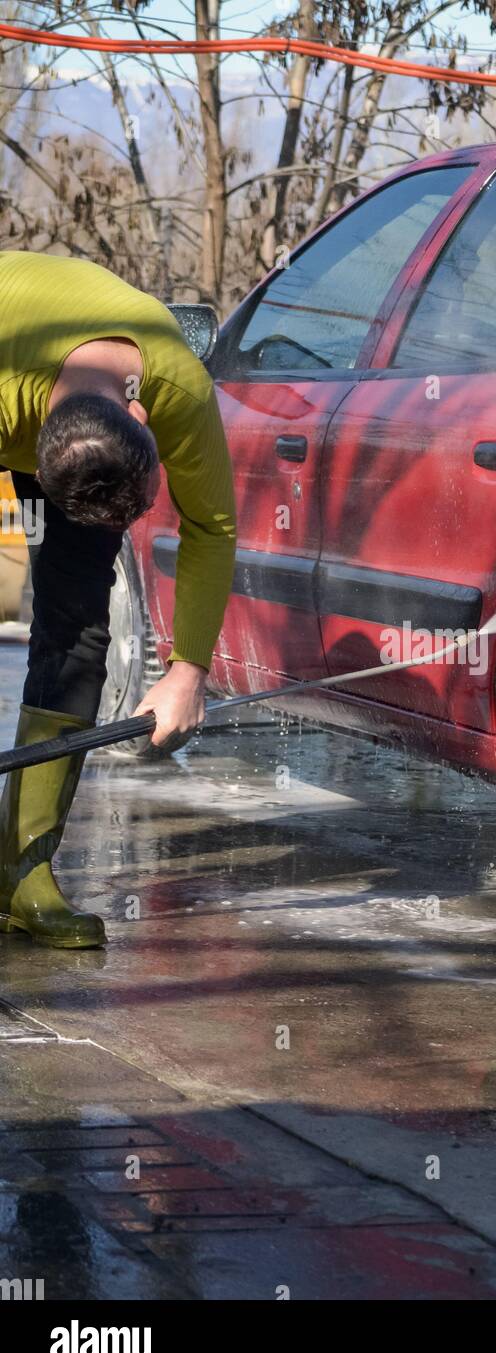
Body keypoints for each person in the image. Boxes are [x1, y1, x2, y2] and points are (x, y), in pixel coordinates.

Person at [0, 250, 236, 949]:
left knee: (77, 627)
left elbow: (213, 528)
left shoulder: (179, 393)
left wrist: (188, 670)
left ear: (142, 415)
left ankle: (23, 874)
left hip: (73, 404)